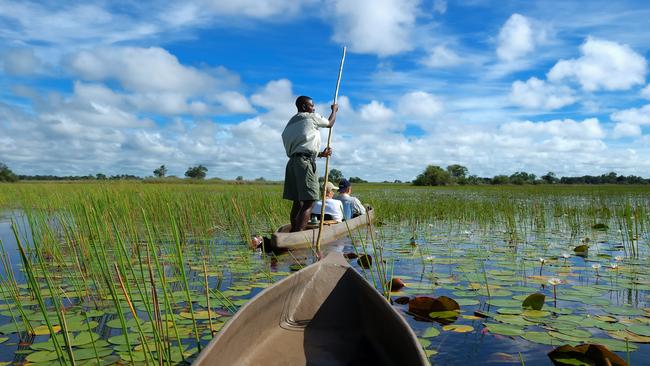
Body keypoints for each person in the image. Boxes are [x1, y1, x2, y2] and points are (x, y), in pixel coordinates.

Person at [282, 95, 338, 232]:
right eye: (312, 106)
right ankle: (298, 234)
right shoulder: (310, 117)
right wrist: (334, 110)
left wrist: (320, 154)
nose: (314, 108)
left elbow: (300, 146)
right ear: (304, 107)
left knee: (298, 201)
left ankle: (294, 231)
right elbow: (329, 123)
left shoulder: (290, 124)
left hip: (292, 163)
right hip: (305, 163)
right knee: (309, 201)